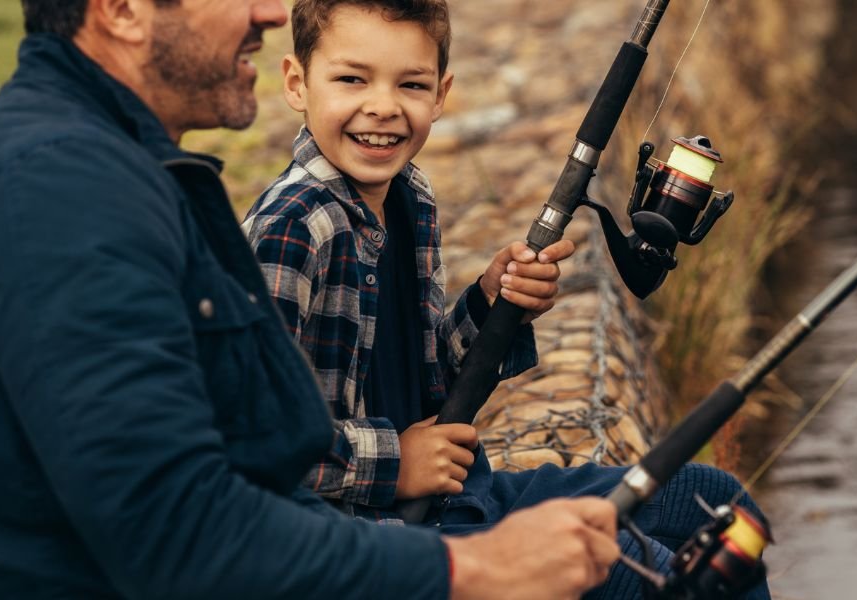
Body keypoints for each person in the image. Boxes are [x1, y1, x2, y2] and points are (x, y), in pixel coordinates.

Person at [0, 0, 619, 598]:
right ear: (122, 9)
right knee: (638, 566)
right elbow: (181, 527)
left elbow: (239, 449)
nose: (269, 13)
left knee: (695, 502)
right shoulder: (59, 191)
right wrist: (470, 572)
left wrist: (488, 309)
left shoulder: (112, 165)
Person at [241, 2, 770, 598]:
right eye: (351, 79)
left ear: (440, 95)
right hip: (370, 538)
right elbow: (251, 438)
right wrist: (398, 462)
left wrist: (492, 306)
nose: (383, 106)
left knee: (713, 503)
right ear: (296, 83)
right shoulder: (291, 231)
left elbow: (431, 384)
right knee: (624, 568)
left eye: (410, 84)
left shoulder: (410, 195)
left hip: (458, 499)